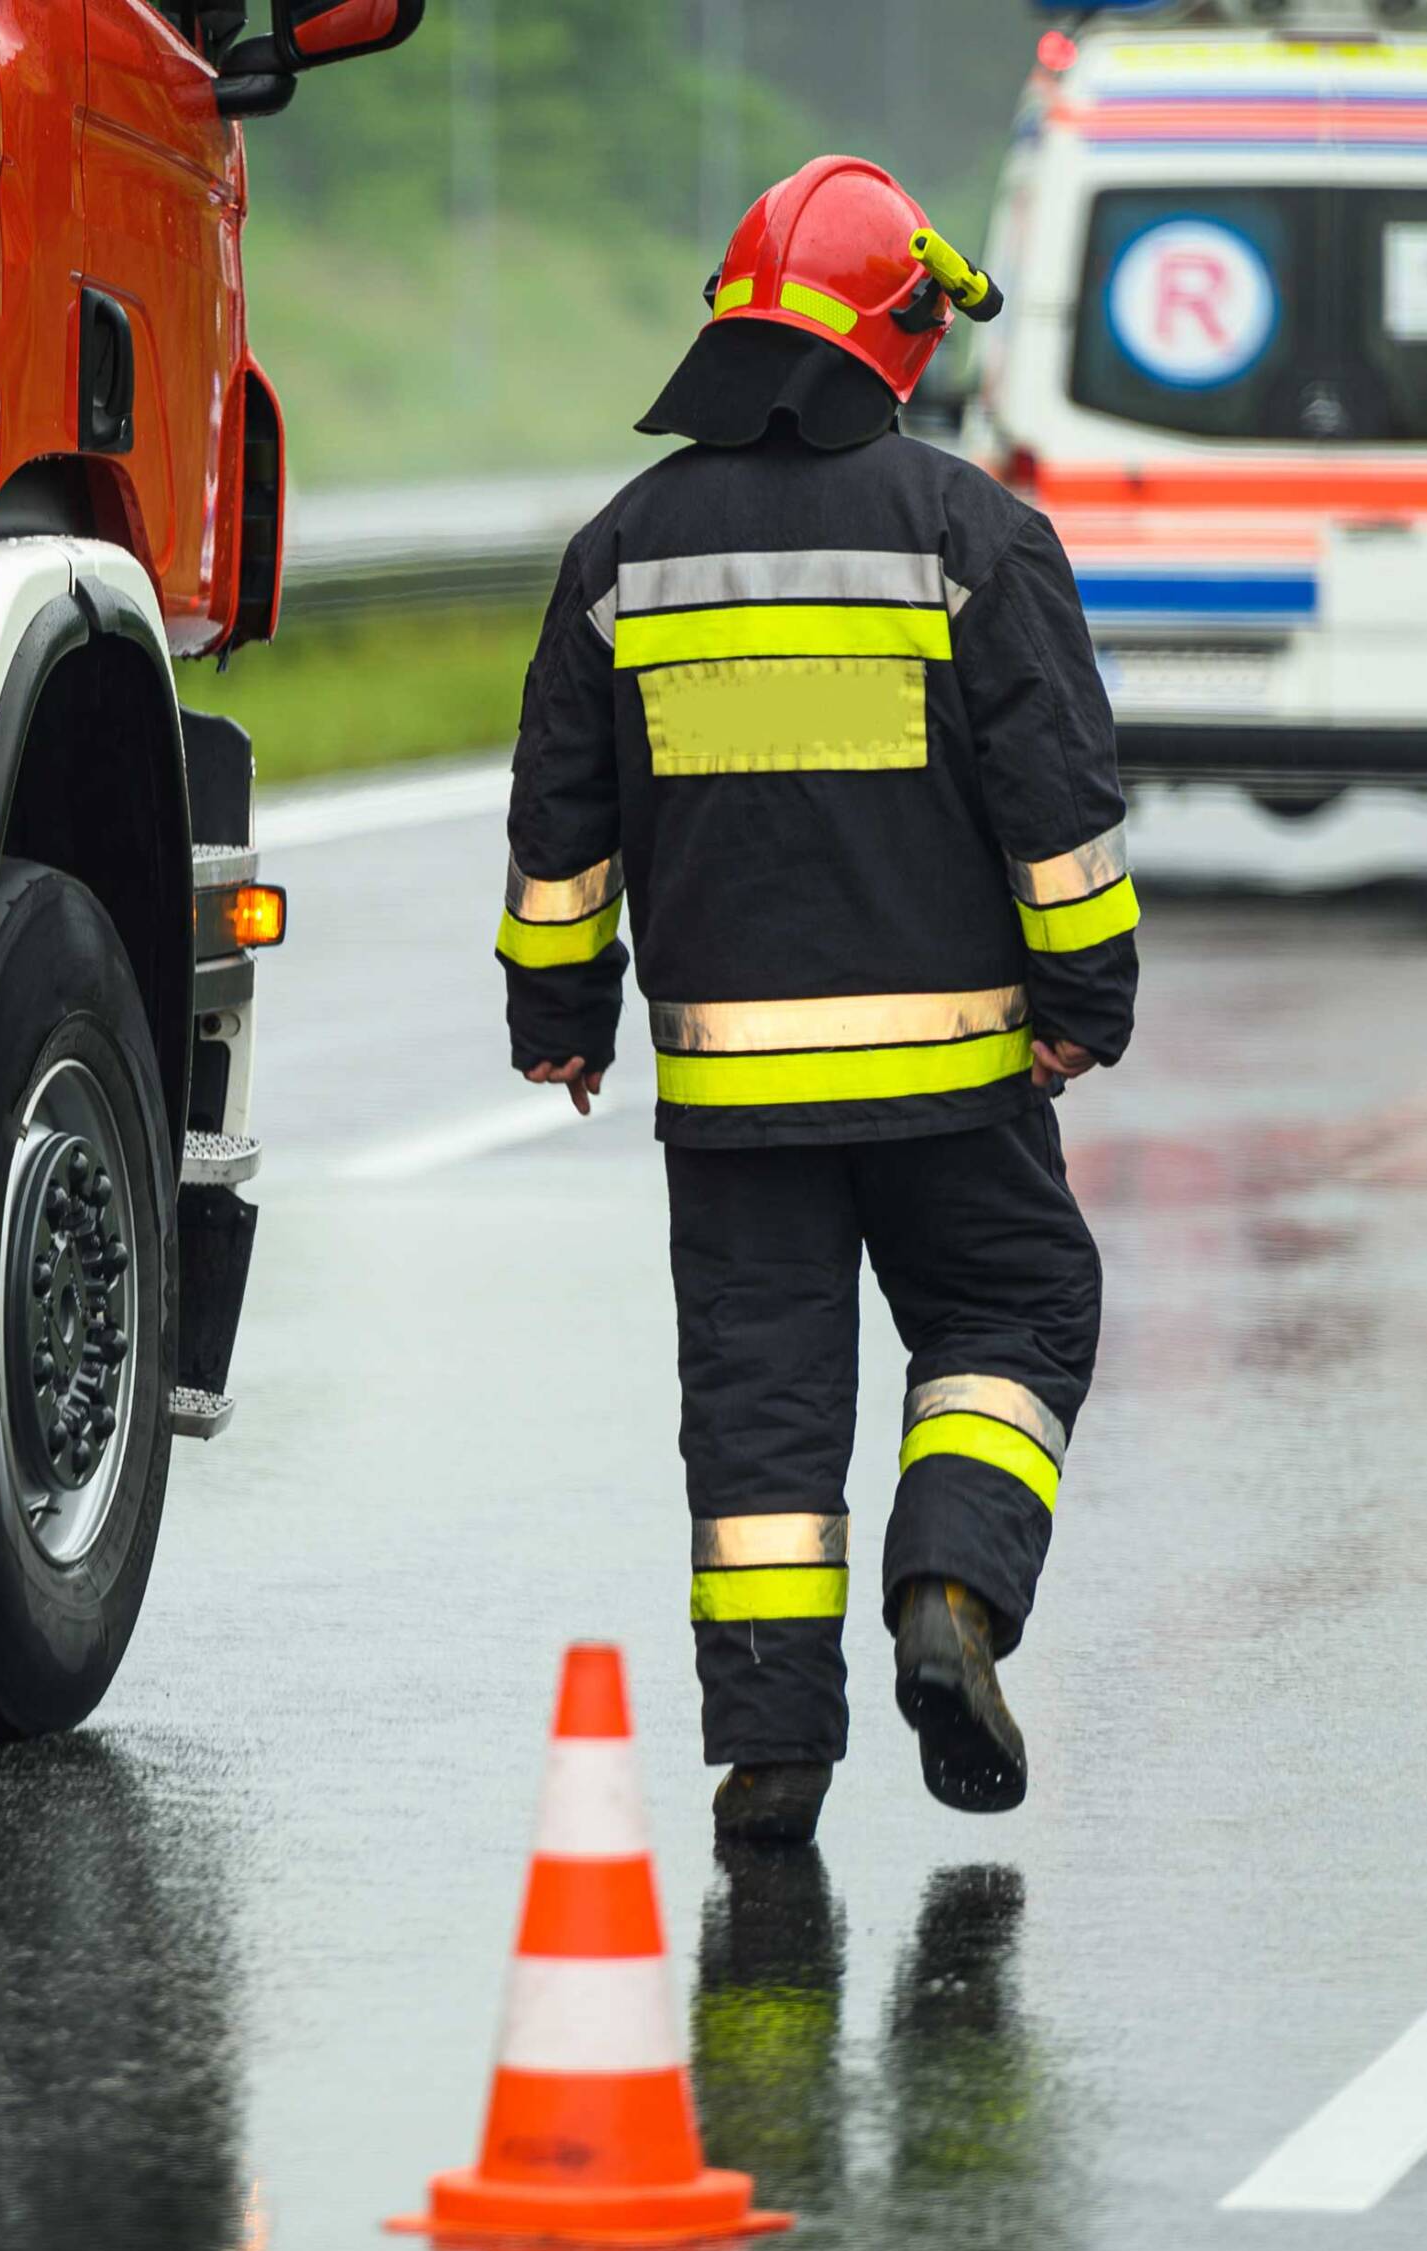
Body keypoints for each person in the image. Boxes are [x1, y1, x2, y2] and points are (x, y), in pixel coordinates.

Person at [497, 157, 1137, 1850]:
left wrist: (557, 1008)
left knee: (762, 1410)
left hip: (731, 1094)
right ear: (897, 338)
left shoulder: (616, 553)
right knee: (1013, 1312)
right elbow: (1055, 802)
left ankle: (770, 1756)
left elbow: (560, 821)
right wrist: (1083, 996)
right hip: (956, 1076)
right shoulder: (973, 536)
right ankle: (950, 1592)